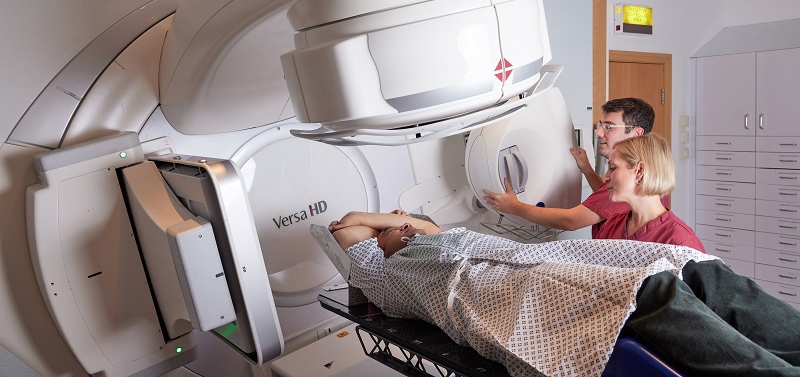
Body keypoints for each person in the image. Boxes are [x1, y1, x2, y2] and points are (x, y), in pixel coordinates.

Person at [327, 213, 800, 377]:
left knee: (694, 267)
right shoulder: (385, 276)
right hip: (504, 290)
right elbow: (349, 227)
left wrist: (406, 225)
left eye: (405, 216)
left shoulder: (435, 235)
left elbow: (424, 226)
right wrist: (385, 221)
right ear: (379, 245)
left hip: (537, 258)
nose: (403, 223)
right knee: (653, 290)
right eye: (393, 223)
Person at [482, 97, 662, 237]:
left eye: (609, 127)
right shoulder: (642, 166)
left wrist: (514, 207)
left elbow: (572, 221)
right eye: (600, 125)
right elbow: (607, 198)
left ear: (637, 133)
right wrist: (587, 169)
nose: (598, 133)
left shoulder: (629, 174)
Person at [600, 133, 705, 251]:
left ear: (639, 171)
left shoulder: (681, 242)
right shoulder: (611, 226)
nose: (605, 178)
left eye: (613, 168)